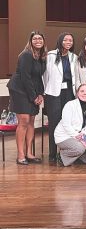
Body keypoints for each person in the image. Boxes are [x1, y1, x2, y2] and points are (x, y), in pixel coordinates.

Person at [7, 31, 47, 165]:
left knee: (31, 121)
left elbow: (38, 78)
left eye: (40, 38)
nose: (37, 41)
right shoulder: (26, 55)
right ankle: (20, 155)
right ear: (30, 41)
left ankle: (29, 153)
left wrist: (41, 93)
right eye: (34, 39)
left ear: (43, 41)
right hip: (20, 90)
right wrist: (33, 96)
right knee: (24, 121)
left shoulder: (41, 57)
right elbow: (25, 77)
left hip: (32, 90)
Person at [43, 32, 77, 162]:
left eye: (71, 40)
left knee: (67, 123)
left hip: (69, 93)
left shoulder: (74, 57)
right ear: (60, 41)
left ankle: (65, 153)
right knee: (54, 123)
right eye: (66, 40)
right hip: (53, 94)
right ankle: (52, 154)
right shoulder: (51, 55)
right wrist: (46, 90)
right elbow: (44, 75)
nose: (68, 42)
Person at [54, 84, 86, 167]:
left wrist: (84, 136)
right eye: (82, 91)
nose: (85, 93)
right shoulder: (70, 105)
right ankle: (62, 156)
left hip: (80, 134)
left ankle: (81, 159)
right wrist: (78, 137)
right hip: (65, 136)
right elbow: (66, 125)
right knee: (79, 148)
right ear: (77, 93)